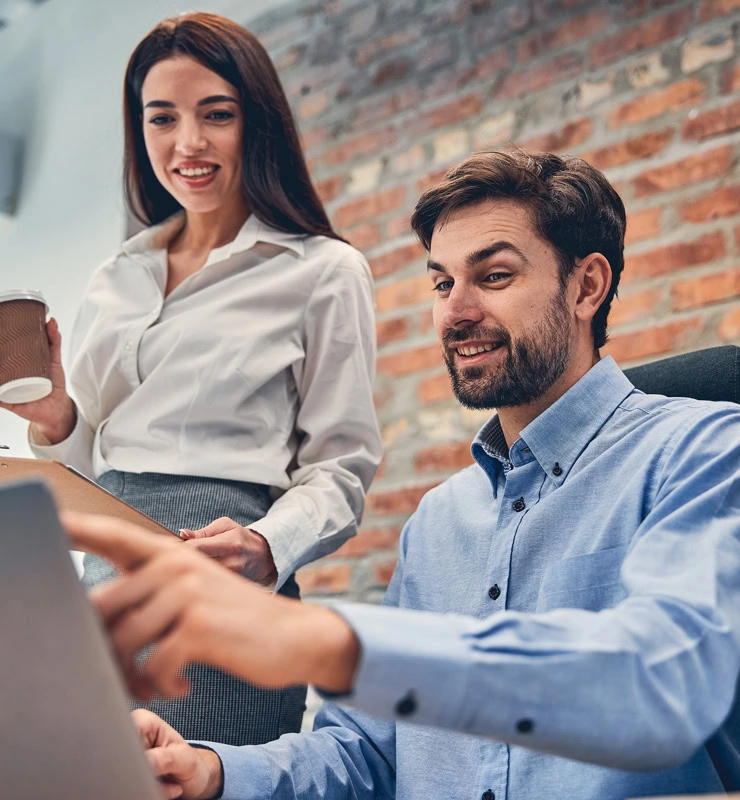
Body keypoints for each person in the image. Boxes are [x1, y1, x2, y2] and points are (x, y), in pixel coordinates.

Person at [65, 150, 740, 800]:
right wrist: (205, 770)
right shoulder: (441, 521)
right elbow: (365, 754)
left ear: (587, 285)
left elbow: (660, 680)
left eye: (494, 277)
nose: (455, 311)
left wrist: (328, 642)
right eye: (443, 282)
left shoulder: (703, 451)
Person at [0, 12, 381, 746]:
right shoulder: (117, 276)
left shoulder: (322, 271)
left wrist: (266, 544)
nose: (188, 144)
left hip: (226, 581)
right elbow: (99, 465)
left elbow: (342, 470)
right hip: (105, 586)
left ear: (258, 122)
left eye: (217, 115)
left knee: (209, 780)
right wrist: (55, 419)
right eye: (162, 118)